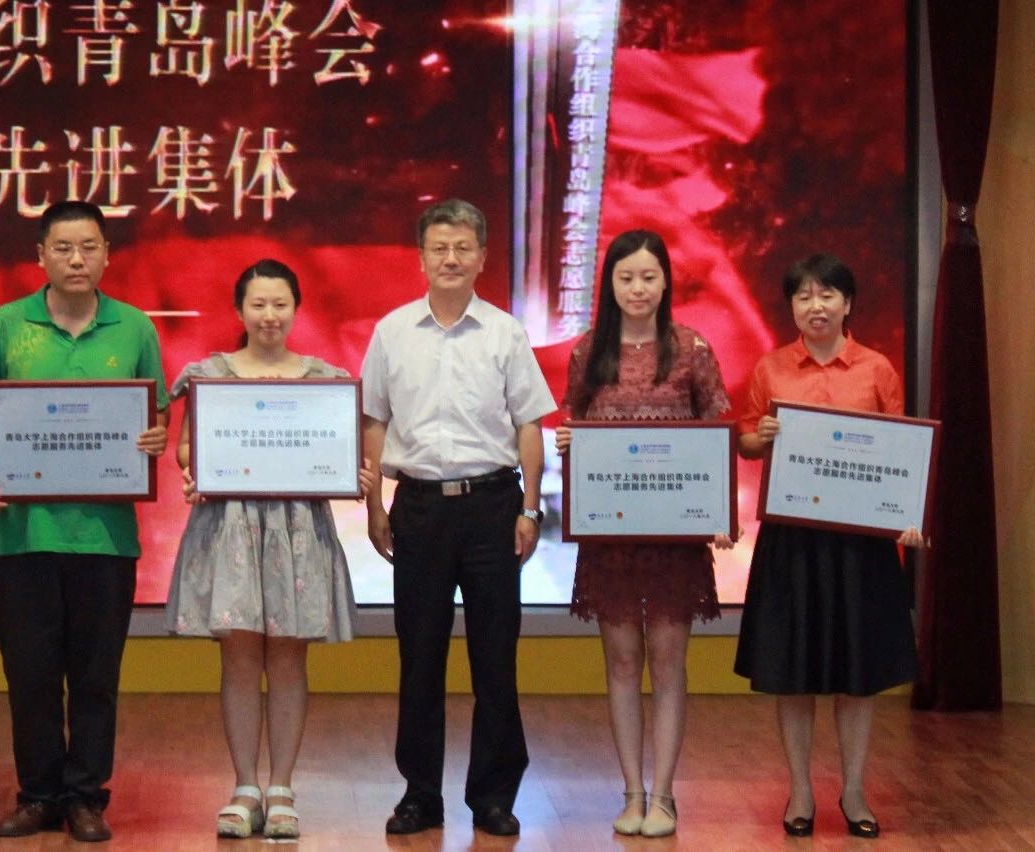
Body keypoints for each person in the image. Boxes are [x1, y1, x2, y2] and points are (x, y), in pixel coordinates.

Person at [0, 201, 169, 843]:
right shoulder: (4, 325)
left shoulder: (134, 328)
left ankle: (85, 798)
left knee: (96, 677)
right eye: (64, 248)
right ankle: (39, 795)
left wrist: (156, 437)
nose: (77, 259)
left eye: (89, 247)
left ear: (107, 254)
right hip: (26, 536)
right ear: (41, 256)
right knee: (31, 675)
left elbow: (155, 414)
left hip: (106, 539)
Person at [360, 198, 557, 837]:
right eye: (439, 247)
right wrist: (374, 505)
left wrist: (531, 507)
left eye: (462, 248)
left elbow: (529, 424)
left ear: (482, 258)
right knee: (419, 656)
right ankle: (420, 795)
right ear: (421, 258)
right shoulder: (392, 331)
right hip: (417, 507)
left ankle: (494, 796)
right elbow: (374, 422)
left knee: (495, 657)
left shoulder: (505, 332)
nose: (450, 258)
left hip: (493, 506)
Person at [164, 258, 374, 840]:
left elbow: (343, 453)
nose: (269, 315)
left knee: (287, 658)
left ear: (296, 309)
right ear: (239, 310)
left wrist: (353, 472)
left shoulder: (325, 380)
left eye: (280, 304)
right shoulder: (210, 375)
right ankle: (244, 787)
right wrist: (198, 467)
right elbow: (186, 449)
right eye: (258, 304)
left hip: (297, 529)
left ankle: (281, 788)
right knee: (237, 659)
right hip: (230, 527)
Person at [734, 254, 923, 840]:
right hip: (792, 541)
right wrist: (760, 437)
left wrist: (908, 518)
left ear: (848, 304)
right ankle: (799, 790)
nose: (815, 306)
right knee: (793, 673)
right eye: (803, 296)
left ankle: (856, 790)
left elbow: (902, 452)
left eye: (827, 295)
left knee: (856, 674)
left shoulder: (877, 368)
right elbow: (744, 440)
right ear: (791, 307)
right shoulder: (770, 367)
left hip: (860, 545)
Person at [554, 229, 733, 837]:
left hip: (674, 540)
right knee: (624, 661)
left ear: (666, 282)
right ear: (608, 283)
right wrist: (568, 441)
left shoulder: (691, 348)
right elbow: (574, 423)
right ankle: (631, 792)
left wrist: (719, 513)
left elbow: (719, 429)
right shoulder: (588, 351)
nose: (637, 288)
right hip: (612, 538)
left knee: (669, 661)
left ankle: (665, 795)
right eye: (626, 277)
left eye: (649, 277)